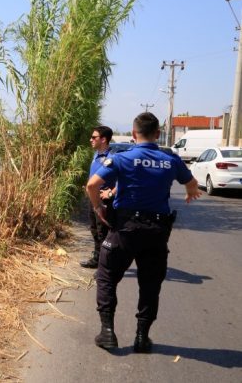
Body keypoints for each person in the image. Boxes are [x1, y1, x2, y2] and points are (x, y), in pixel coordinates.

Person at [86, 112, 202, 353]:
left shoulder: (122, 158)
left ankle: (107, 332)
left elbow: (92, 185)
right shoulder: (171, 160)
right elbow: (192, 183)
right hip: (157, 233)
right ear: (158, 135)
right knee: (150, 285)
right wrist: (190, 192)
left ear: (133, 133)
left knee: (106, 277)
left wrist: (98, 208)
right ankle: (142, 337)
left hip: (125, 230)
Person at [80, 126, 116, 268]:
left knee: (104, 233)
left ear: (103, 139)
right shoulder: (96, 155)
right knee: (94, 229)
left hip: (105, 201)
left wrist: (111, 193)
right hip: (93, 199)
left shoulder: (111, 158)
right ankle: (97, 259)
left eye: (94, 137)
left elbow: (122, 180)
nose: (91, 140)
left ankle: (105, 265)